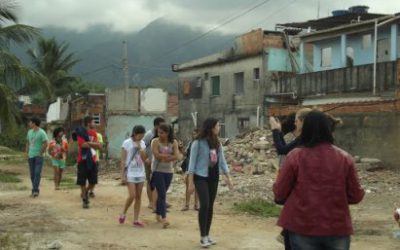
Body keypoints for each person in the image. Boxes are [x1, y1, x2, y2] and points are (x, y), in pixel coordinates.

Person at [273, 111, 364, 250]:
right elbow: (356, 195)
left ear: (305, 128)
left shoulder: (295, 156)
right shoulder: (345, 158)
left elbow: (280, 193)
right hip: (337, 227)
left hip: (301, 226)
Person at [187, 118, 233, 248]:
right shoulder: (198, 143)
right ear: (212, 127)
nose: (219, 128)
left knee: (210, 206)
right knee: (205, 204)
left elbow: (222, 162)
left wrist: (228, 178)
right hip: (200, 177)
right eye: (218, 126)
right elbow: (191, 165)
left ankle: (207, 235)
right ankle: (202, 237)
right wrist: (190, 183)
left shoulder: (217, 143)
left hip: (213, 177)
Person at [150, 123, 179, 228]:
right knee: (162, 194)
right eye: (158, 132)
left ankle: (158, 213)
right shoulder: (155, 141)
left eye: (161, 133)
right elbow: (156, 155)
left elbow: (177, 156)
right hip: (157, 171)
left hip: (169, 172)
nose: (159, 134)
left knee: (163, 193)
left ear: (167, 133)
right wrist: (169, 156)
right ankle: (164, 218)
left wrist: (165, 157)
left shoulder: (173, 142)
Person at [119, 125, 147, 227]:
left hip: (140, 172)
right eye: (140, 135)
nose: (141, 137)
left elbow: (144, 158)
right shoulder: (126, 143)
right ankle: (123, 212)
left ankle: (136, 219)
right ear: (135, 133)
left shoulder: (142, 143)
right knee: (132, 195)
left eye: (143, 136)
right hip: (130, 172)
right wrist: (122, 176)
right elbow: (122, 160)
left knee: (138, 197)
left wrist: (140, 148)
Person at [74, 116, 102, 209]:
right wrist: (92, 144)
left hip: (93, 159)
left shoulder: (94, 133)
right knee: (82, 180)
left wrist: (89, 143)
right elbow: (82, 145)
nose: (94, 124)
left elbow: (99, 146)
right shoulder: (80, 132)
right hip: (82, 159)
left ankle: (85, 192)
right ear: (88, 123)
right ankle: (85, 199)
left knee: (93, 181)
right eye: (93, 122)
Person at [143, 117, 165, 210]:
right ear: (156, 125)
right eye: (161, 125)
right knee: (150, 182)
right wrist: (146, 159)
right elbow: (142, 147)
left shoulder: (161, 135)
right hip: (149, 162)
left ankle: (160, 201)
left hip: (159, 163)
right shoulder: (149, 134)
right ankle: (151, 202)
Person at [25, 117, 48, 198]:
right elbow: (27, 142)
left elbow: (45, 143)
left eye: (30, 122)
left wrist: (40, 153)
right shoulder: (29, 132)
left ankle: (35, 191)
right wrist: (26, 153)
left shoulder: (42, 132)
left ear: (34, 123)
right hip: (31, 156)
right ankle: (35, 189)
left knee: (37, 173)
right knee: (32, 174)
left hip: (39, 156)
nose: (29, 123)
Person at [181, 128, 199, 211]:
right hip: (190, 167)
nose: (194, 135)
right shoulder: (191, 144)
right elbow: (185, 154)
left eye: (195, 134)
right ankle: (187, 205)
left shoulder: (201, 144)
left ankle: (196, 205)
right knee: (188, 186)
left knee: (198, 187)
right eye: (193, 134)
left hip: (198, 168)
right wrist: (180, 149)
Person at [88, 131, 103, 198]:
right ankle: (86, 190)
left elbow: (100, 146)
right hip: (86, 159)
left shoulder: (98, 135)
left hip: (95, 159)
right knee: (87, 177)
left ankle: (91, 191)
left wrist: (89, 144)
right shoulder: (84, 133)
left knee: (94, 177)